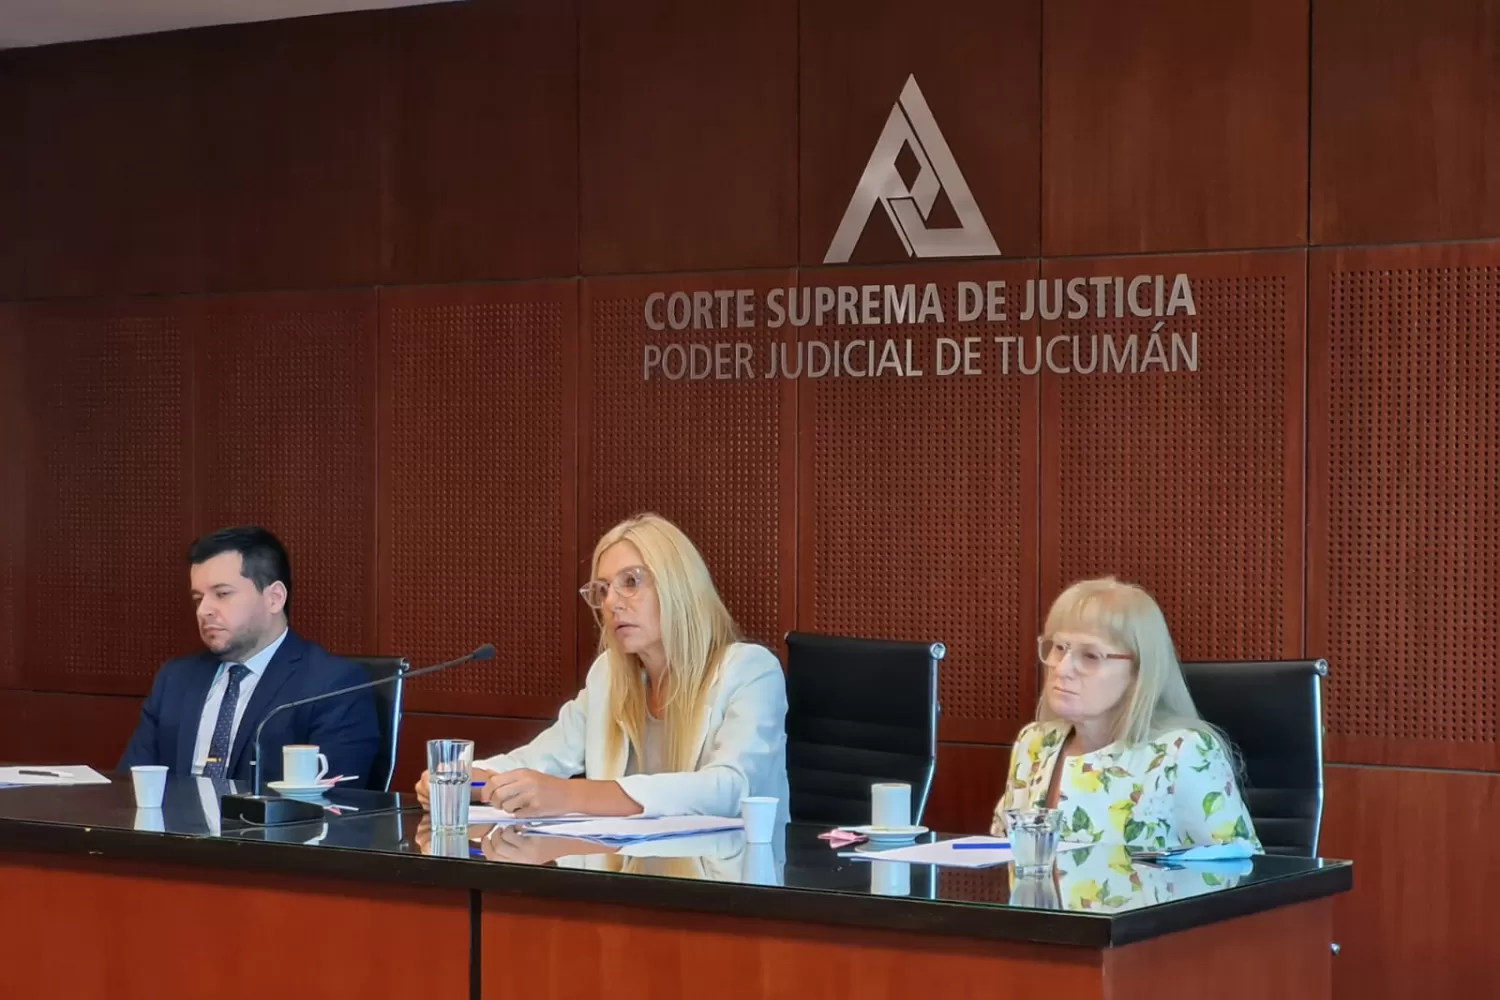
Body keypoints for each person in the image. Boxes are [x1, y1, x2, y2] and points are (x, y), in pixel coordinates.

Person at [415, 513, 789, 819]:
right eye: (604, 589)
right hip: (626, 878)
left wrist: (571, 795)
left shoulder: (750, 671)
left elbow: (728, 788)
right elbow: (542, 759)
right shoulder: (610, 674)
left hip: (733, 881)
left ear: (679, 586)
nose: (612, 603)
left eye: (631, 582)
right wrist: (464, 779)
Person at [991, 577, 1261, 853]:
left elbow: (1245, 871)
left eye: (1091, 656)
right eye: (1060, 648)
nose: (1062, 669)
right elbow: (999, 856)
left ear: (1138, 673)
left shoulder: (1180, 754)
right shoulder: (1035, 743)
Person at [119, 526, 380, 788]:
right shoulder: (175, 679)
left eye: (222, 594)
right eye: (198, 598)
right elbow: (131, 785)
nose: (203, 611)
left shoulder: (333, 686)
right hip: (170, 827)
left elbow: (333, 800)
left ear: (274, 598)